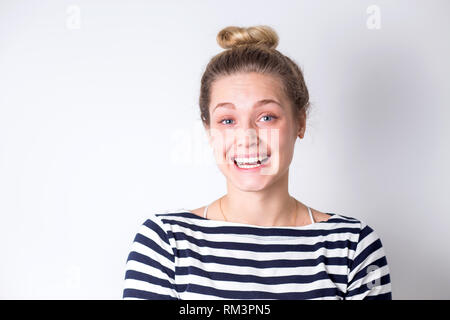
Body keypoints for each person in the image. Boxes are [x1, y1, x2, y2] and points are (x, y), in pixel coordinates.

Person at [122, 25, 392, 300]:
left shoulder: (352, 246)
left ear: (300, 122)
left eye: (266, 117)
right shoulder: (165, 243)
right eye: (227, 120)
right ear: (209, 130)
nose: (247, 138)